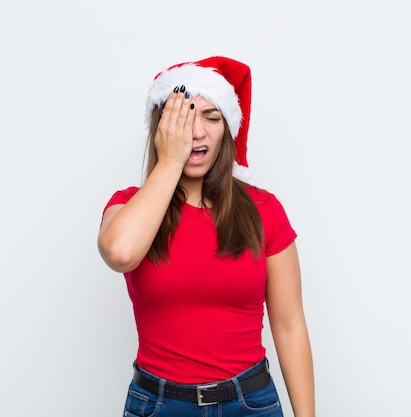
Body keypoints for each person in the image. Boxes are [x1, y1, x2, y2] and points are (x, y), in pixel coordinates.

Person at [98, 56, 315, 417]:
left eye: (211, 117)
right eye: (181, 119)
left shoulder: (265, 209)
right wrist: (169, 161)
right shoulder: (128, 206)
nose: (195, 132)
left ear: (228, 128)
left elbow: (290, 325)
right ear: (160, 129)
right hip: (158, 405)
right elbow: (120, 253)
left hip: (250, 403)